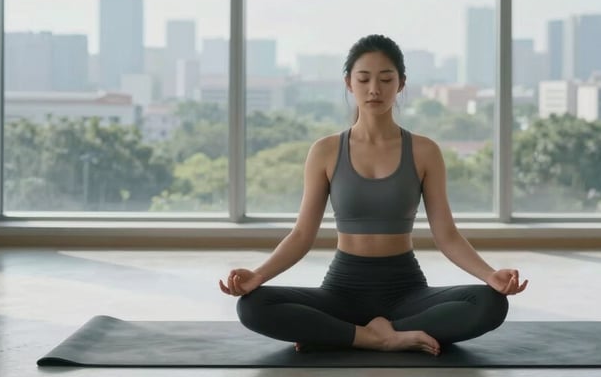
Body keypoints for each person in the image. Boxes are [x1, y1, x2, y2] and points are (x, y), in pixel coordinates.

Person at [219, 34, 528, 356]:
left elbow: (447, 235)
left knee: (490, 303)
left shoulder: (425, 151)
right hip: (341, 292)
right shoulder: (325, 151)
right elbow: (301, 235)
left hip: (406, 292)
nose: (374, 89)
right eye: (363, 79)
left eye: (386, 79)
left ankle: (344, 335)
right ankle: (378, 338)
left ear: (401, 84)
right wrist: (258, 275)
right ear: (349, 84)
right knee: (253, 306)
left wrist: (490, 275)